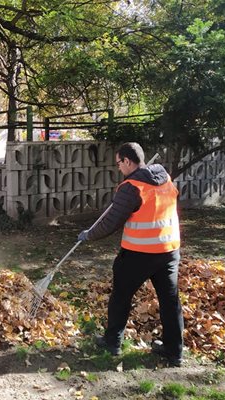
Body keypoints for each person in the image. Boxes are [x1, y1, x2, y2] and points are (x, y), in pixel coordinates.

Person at [77, 142, 183, 367]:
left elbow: (110, 222)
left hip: (139, 254)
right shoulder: (165, 178)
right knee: (170, 301)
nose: (119, 168)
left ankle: (112, 341)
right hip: (169, 251)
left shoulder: (131, 187)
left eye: (118, 163)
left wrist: (88, 235)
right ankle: (174, 352)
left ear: (127, 161)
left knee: (121, 297)